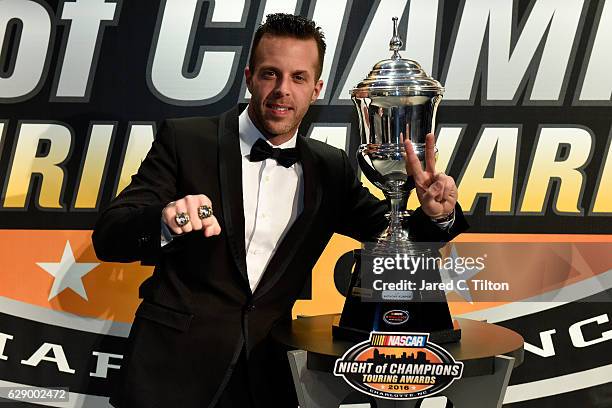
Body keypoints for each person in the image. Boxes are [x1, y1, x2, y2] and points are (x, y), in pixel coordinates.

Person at [92, 13, 468, 408]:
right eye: (271, 74)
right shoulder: (186, 140)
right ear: (250, 77)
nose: (282, 90)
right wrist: (167, 220)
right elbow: (110, 236)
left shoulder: (331, 168)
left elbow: (393, 239)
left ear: (317, 89)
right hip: (170, 377)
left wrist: (437, 214)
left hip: (268, 381)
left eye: (299, 78)